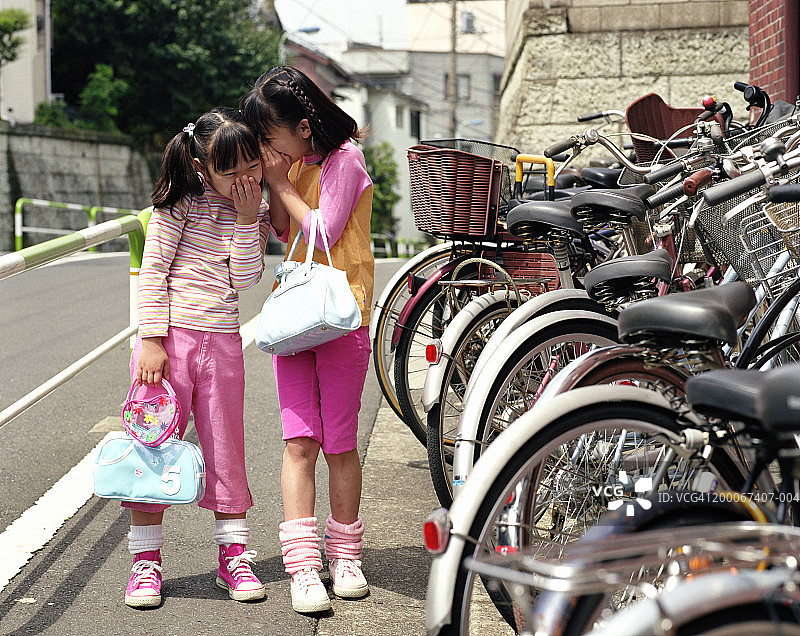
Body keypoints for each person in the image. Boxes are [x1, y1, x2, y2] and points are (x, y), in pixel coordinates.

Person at [240, 66, 374, 614]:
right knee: (299, 443)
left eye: (270, 138)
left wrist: (280, 185)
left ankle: (345, 556)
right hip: (298, 317)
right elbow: (285, 230)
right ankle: (301, 565)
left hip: (343, 316)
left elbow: (323, 229)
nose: (269, 149)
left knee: (339, 443)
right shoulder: (292, 166)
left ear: (302, 125)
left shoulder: (346, 161)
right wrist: (270, 193)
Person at [124, 107, 270, 608]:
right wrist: (150, 340)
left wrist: (249, 219)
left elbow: (246, 278)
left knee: (226, 448)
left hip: (223, 341)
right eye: (230, 172)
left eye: (251, 166)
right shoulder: (179, 201)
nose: (244, 179)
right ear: (203, 165)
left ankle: (234, 557)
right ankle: (145, 563)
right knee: (152, 450)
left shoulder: (251, 206)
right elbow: (153, 270)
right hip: (169, 345)